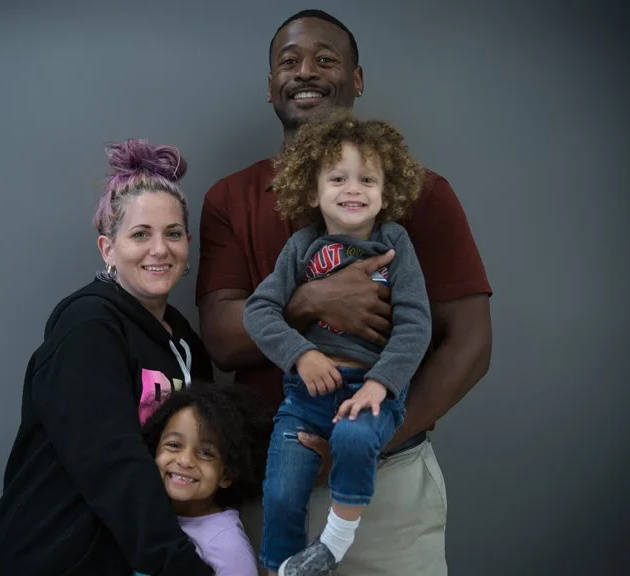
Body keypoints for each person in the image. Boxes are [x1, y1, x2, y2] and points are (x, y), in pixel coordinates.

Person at [196, 9, 493, 575]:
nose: (306, 71)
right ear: (270, 85)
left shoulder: (421, 194)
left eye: (326, 59)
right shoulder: (230, 198)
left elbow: (471, 344)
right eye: (289, 61)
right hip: (272, 473)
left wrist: (366, 439)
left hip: (386, 480)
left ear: (356, 79)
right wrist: (312, 301)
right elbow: (221, 339)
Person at [0, 138, 216, 575]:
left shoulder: (187, 344)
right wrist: (180, 566)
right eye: (140, 234)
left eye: (173, 234)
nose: (159, 249)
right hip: (57, 559)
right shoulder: (88, 329)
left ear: (187, 245)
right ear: (108, 249)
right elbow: (112, 462)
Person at [243, 109, 432, 575]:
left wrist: (381, 384)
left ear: (386, 192)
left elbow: (415, 324)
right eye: (338, 178)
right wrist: (301, 354)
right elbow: (258, 311)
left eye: (367, 179)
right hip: (305, 397)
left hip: (370, 391)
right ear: (313, 191)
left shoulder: (394, 242)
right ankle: (285, 568)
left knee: (353, 436)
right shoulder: (300, 247)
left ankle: (333, 543)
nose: (354, 189)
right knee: (281, 489)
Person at [136, 381, 265, 576]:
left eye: (206, 453)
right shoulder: (143, 513)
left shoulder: (227, 545)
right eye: (174, 445)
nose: (185, 461)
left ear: (226, 475)